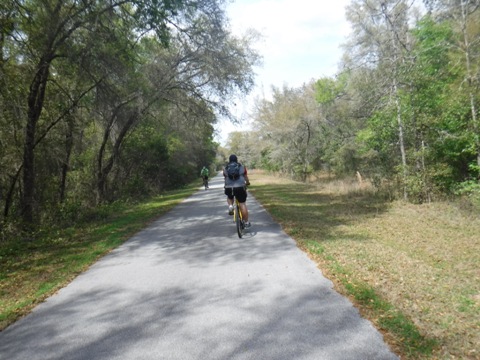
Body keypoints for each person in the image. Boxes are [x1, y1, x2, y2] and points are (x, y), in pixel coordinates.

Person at [223, 154, 251, 228]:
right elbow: (245, 177)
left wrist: (226, 185)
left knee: (230, 197)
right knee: (242, 204)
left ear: (229, 160)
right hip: (240, 187)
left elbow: (225, 177)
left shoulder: (226, 168)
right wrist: (247, 183)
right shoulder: (242, 167)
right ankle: (246, 222)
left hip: (229, 187)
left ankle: (230, 206)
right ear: (236, 160)